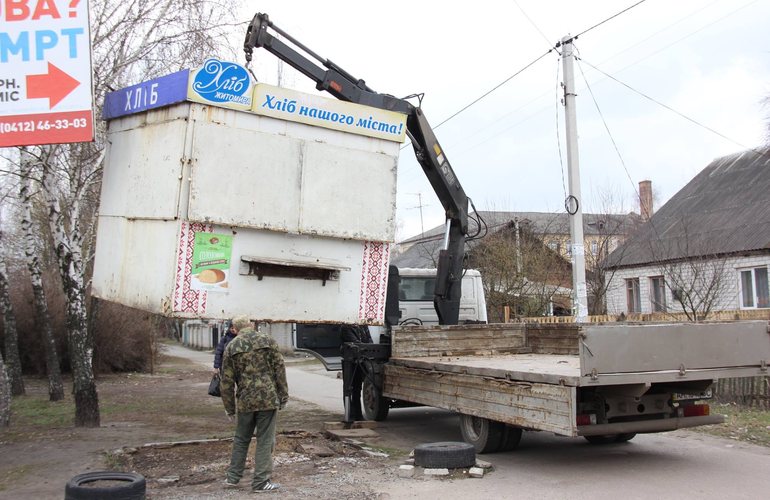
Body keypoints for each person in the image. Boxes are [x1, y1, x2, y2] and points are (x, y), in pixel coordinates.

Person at [220, 316, 289, 493]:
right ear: (251, 325)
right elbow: (279, 369)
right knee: (265, 440)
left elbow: (226, 381)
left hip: (245, 400)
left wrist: (229, 408)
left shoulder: (231, 347)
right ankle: (260, 482)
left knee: (241, 439)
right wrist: (283, 395)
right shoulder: (267, 341)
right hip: (268, 398)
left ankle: (232, 478)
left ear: (235, 328)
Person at [341, 324, 372, 421]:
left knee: (357, 389)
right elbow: (354, 342)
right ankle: (350, 415)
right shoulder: (346, 327)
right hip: (350, 361)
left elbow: (369, 340)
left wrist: (371, 349)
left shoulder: (363, 326)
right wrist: (366, 348)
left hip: (361, 359)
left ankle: (358, 414)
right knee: (349, 387)